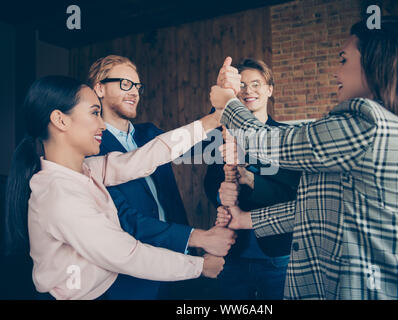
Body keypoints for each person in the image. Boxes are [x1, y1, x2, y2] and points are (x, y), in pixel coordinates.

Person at [212, 16, 398, 299]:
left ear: (376, 62)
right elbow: (325, 208)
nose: (336, 72)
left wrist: (229, 102)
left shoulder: (369, 122)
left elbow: (270, 142)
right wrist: (246, 220)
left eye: (343, 60)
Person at [4, 75, 230, 300]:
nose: (102, 124)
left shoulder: (86, 169)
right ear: (60, 120)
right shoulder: (59, 196)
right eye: (94, 113)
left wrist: (211, 121)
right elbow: (127, 254)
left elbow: (146, 157)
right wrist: (201, 266)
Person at [87, 55, 235, 299]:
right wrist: (201, 238)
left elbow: (204, 144)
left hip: (179, 264)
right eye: (125, 84)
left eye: (137, 86)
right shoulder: (91, 148)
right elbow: (124, 220)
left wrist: (221, 98)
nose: (134, 91)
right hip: (132, 279)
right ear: (99, 88)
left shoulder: (150, 133)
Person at [203, 58, 299, 299]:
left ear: (269, 89)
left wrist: (249, 178)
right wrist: (220, 194)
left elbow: (293, 193)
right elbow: (210, 182)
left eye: (256, 84)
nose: (248, 91)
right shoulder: (220, 135)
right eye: (242, 85)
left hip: (277, 254)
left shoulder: (286, 137)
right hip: (233, 254)